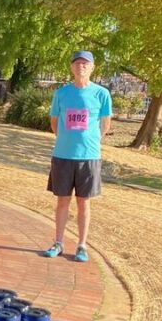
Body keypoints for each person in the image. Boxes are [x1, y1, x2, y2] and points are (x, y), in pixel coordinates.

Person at [42, 50, 112, 263]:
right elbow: (54, 122)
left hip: (89, 156)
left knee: (84, 202)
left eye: (85, 63)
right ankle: (58, 242)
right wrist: (66, 139)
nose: (81, 66)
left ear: (92, 68)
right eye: (77, 63)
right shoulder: (61, 93)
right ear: (72, 67)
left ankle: (82, 246)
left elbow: (105, 124)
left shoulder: (101, 94)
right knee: (62, 201)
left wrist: (90, 140)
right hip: (63, 154)